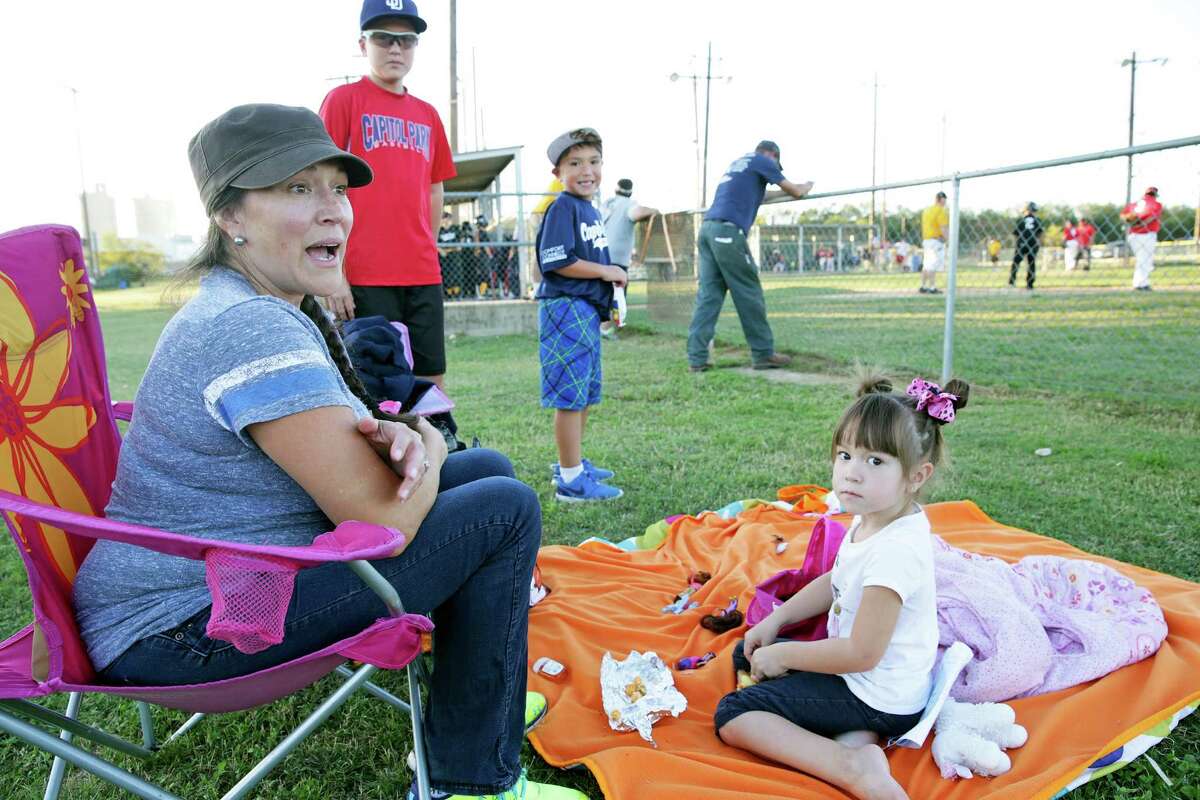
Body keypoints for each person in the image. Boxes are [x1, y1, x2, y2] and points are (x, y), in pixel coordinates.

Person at [71, 104, 584, 800]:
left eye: (336, 188)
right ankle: (470, 779)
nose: (332, 211)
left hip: (218, 577)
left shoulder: (257, 303)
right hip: (181, 627)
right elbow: (384, 523)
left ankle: (469, 709)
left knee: (485, 472)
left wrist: (398, 437)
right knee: (503, 509)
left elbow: (351, 451)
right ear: (231, 218)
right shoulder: (252, 327)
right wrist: (427, 439)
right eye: (295, 189)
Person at [714, 372, 971, 800]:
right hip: (864, 681)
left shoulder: (896, 551)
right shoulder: (875, 517)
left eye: (875, 462)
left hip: (879, 695)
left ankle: (850, 766)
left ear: (916, 476)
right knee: (751, 650)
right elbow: (838, 579)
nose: (852, 473)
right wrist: (777, 620)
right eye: (846, 455)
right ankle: (857, 741)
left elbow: (861, 653)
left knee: (735, 713)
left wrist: (787, 655)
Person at [319, 0, 456, 391]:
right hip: (365, 269)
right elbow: (324, 186)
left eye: (406, 40)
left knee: (431, 372)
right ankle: (384, 452)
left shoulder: (427, 113)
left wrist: (427, 245)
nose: (395, 49)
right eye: (383, 38)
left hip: (421, 268)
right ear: (364, 45)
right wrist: (336, 271)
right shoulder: (344, 101)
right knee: (377, 380)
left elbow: (434, 185)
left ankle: (440, 445)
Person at [535, 128, 626, 502]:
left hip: (584, 309)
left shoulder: (589, 208)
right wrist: (605, 272)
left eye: (593, 161)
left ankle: (572, 462)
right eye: (574, 163)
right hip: (565, 308)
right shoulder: (563, 206)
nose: (586, 170)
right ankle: (570, 480)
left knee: (584, 393)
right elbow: (557, 261)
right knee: (570, 397)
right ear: (558, 173)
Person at [686, 140, 813, 372]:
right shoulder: (763, 160)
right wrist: (804, 186)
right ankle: (763, 353)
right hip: (727, 232)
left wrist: (780, 191)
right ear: (772, 155)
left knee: (709, 296)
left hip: (708, 230)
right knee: (748, 292)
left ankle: (697, 357)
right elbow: (794, 191)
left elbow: (761, 195)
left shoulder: (739, 165)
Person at [1122, 186, 1162, 291]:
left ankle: (1140, 282)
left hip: (1133, 235)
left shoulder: (1134, 204)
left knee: (1141, 259)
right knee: (1145, 260)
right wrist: (1141, 225)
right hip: (1147, 235)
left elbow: (1123, 216)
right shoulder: (1156, 204)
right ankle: (1141, 284)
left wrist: (1132, 224)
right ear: (1155, 195)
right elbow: (1153, 216)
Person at [919, 191, 949, 294]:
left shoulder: (927, 210)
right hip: (936, 241)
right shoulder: (940, 211)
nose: (944, 203)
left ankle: (922, 286)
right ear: (939, 199)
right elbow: (943, 227)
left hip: (926, 240)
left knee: (926, 264)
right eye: (943, 200)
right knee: (933, 264)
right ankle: (932, 287)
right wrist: (948, 239)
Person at [1009, 202, 1043, 290]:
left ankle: (1011, 282)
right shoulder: (1037, 220)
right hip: (1033, 243)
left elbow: (1015, 233)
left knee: (1016, 263)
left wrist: (1016, 244)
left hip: (1021, 243)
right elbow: (1040, 233)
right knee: (1031, 263)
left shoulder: (1021, 220)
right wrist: (1038, 243)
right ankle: (1030, 284)